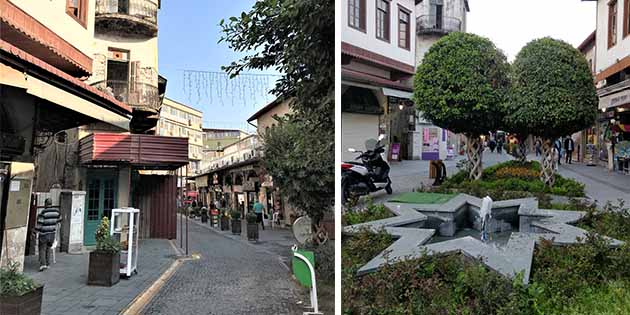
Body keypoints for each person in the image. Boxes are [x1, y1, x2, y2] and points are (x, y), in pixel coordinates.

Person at [34, 198, 61, 271]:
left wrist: (35, 231)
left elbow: (39, 225)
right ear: (51, 203)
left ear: (46, 204)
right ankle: (48, 263)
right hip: (52, 233)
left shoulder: (43, 213)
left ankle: (43, 264)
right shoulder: (56, 212)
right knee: (48, 249)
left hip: (44, 234)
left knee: (42, 249)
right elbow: (59, 220)